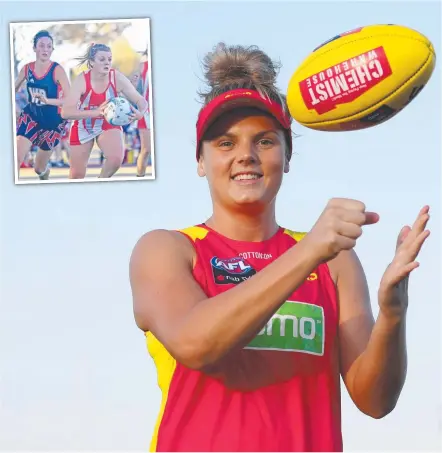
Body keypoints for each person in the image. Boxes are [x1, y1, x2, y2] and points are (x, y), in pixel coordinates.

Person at [129, 43, 431, 452]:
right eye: (224, 143)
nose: (246, 156)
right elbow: (195, 343)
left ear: (288, 156)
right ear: (200, 161)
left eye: (266, 141)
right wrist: (307, 252)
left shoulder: (335, 261)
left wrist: (393, 313)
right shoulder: (167, 249)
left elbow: (375, 400)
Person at [61, 43, 148, 179]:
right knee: (76, 175)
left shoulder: (117, 77)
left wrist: (140, 113)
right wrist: (95, 112)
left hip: (108, 123)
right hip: (83, 125)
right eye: (102, 59)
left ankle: (100, 184)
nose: (107, 63)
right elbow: (65, 112)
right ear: (91, 63)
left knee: (115, 160)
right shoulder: (81, 80)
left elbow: (141, 101)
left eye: (109, 59)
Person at [15, 30, 71, 180]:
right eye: (41, 46)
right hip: (31, 116)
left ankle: (44, 174)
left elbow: (70, 99)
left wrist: (48, 101)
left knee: (38, 168)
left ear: (52, 49)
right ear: (34, 48)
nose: (45, 49)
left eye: (49, 46)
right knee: (16, 158)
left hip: (52, 122)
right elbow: (11, 90)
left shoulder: (57, 70)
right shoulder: (26, 69)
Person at [134, 51, 152, 177]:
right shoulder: (142, 65)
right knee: (146, 150)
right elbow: (131, 85)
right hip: (147, 113)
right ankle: (140, 177)